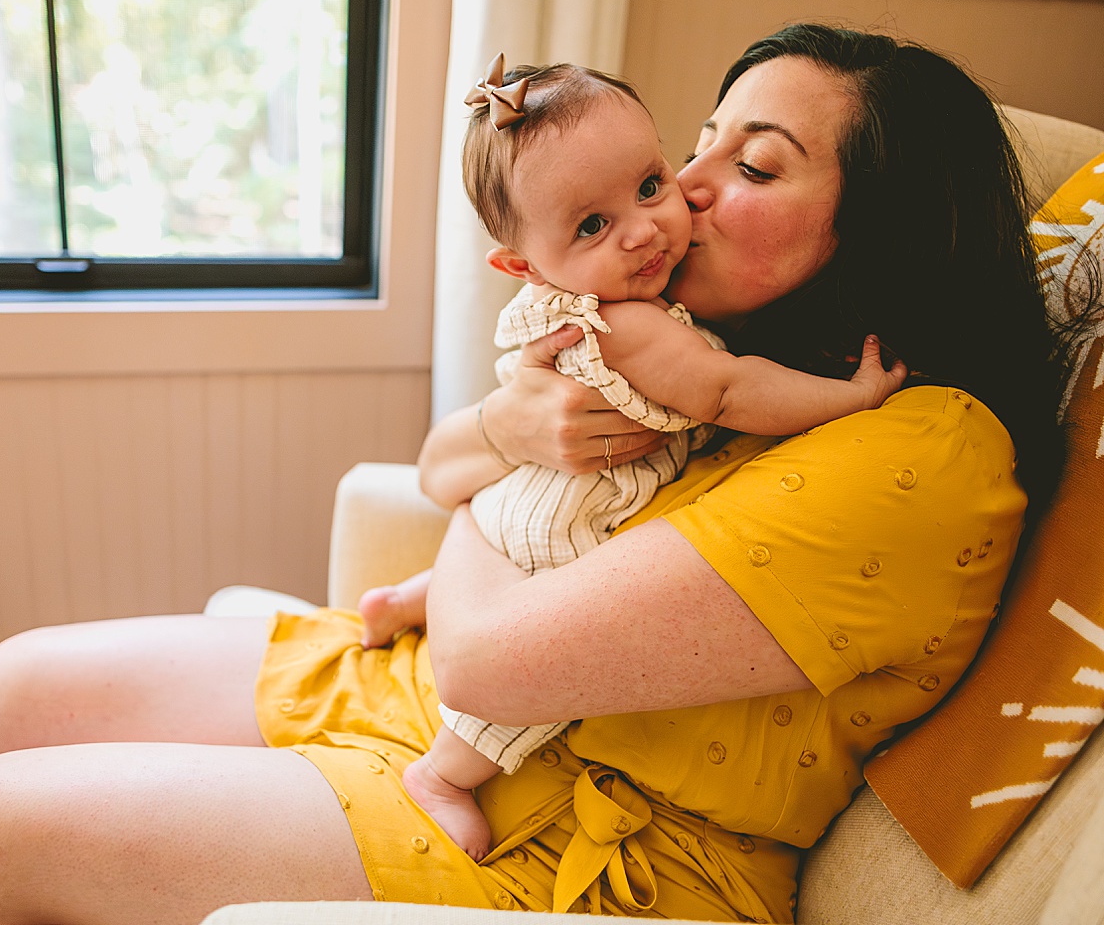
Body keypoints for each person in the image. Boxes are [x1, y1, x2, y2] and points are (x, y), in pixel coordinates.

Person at [0, 24, 1070, 925]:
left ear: (884, 234)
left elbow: (487, 654)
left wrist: (496, 496)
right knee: (19, 685)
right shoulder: (694, 339)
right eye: (702, 141)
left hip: (586, 834)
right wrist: (516, 440)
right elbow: (438, 462)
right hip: (457, 707)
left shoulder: (925, 448)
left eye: (754, 166)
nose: (692, 184)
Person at [357, 54, 907, 862]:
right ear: (521, 267)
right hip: (569, 517)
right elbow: (727, 394)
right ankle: (444, 775)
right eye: (590, 226)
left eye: (650, 183)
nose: (648, 224)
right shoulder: (631, 321)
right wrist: (853, 399)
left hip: (539, 506)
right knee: (530, 658)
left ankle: (411, 601)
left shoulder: (629, 292)